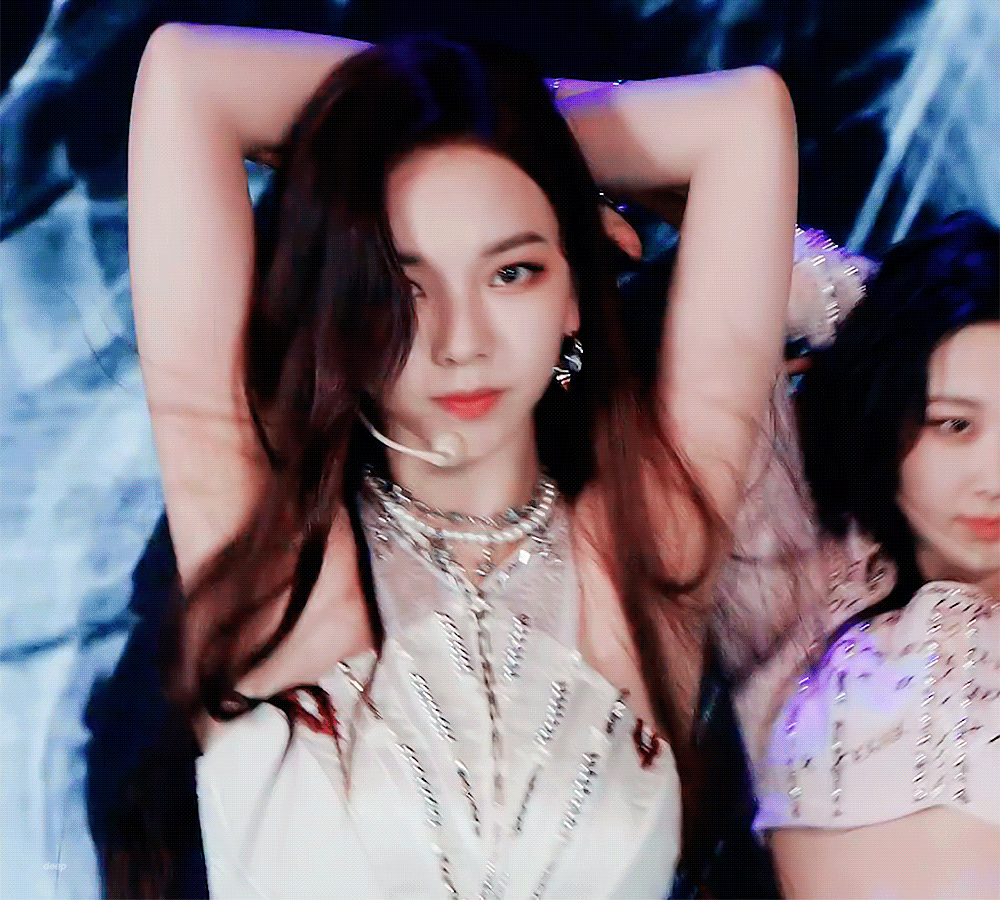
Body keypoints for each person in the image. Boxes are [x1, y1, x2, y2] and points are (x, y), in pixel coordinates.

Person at [106, 23, 800, 899]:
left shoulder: (643, 560)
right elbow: (189, 77)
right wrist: (450, 105)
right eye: (404, 287)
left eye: (512, 272)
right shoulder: (277, 569)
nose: (461, 342)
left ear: (573, 293)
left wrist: (499, 123)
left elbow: (744, 121)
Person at [736, 211, 999, 899]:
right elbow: (734, 289)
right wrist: (891, 309)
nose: (994, 479)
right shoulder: (806, 574)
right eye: (954, 424)